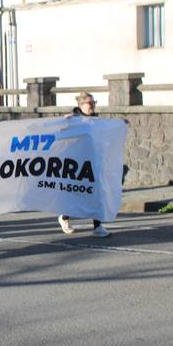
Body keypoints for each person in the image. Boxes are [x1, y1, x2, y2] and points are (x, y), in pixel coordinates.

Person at [58, 92, 111, 238]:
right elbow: (61, 133)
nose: (93, 106)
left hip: (93, 160)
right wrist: (64, 123)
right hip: (77, 162)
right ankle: (64, 217)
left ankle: (97, 226)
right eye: (90, 103)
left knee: (97, 193)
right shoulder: (73, 119)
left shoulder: (96, 119)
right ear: (81, 105)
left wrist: (121, 125)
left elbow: (108, 129)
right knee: (76, 193)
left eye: (94, 103)